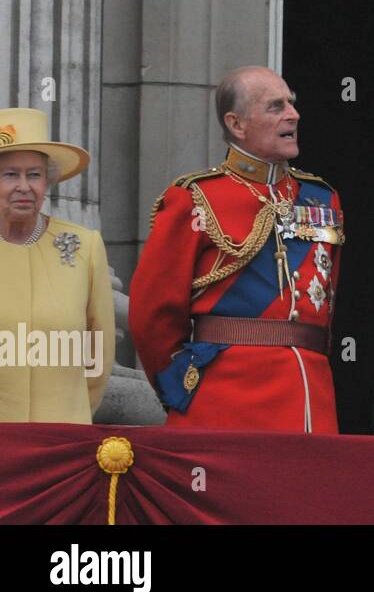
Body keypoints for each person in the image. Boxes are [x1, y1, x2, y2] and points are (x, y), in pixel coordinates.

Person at [129, 67, 343, 432]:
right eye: (276, 107)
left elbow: (326, 303)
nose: (293, 114)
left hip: (309, 393)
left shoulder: (322, 198)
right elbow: (153, 315)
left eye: (291, 103)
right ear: (237, 124)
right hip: (223, 399)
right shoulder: (195, 198)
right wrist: (184, 386)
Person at [0, 108, 114, 423]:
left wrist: (75, 414)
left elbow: (98, 354)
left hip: (62, 436)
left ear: (47, 181)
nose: (24, 186)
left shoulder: (84, 246)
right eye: (10, 174)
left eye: (34, 174)